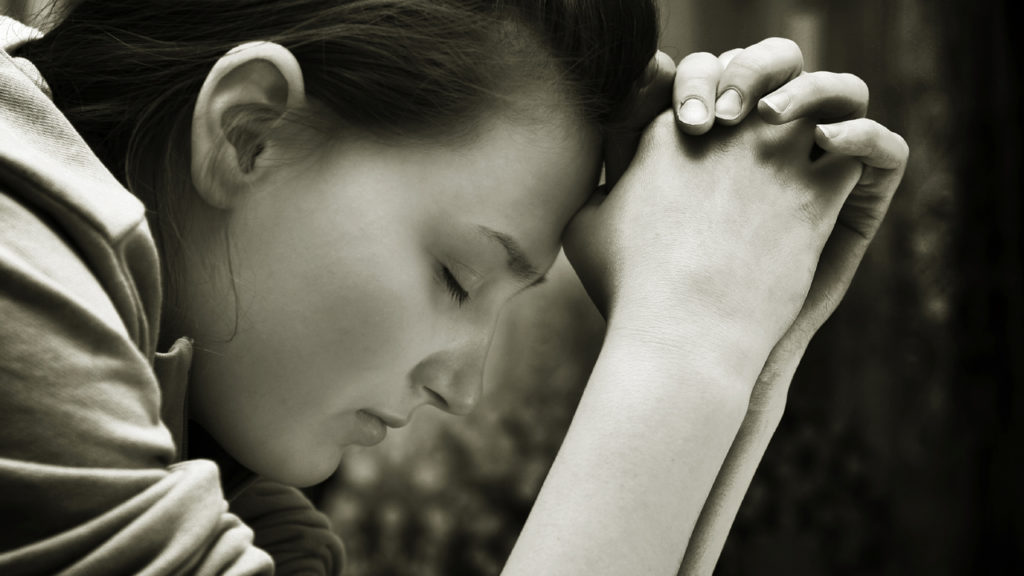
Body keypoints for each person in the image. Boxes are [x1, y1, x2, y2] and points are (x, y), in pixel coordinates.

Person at [0, 0, 908, 574]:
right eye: (458, 274)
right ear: (250, 131)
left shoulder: (242, 500)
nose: (461, 389)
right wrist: (691, 332)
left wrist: (740, 337)